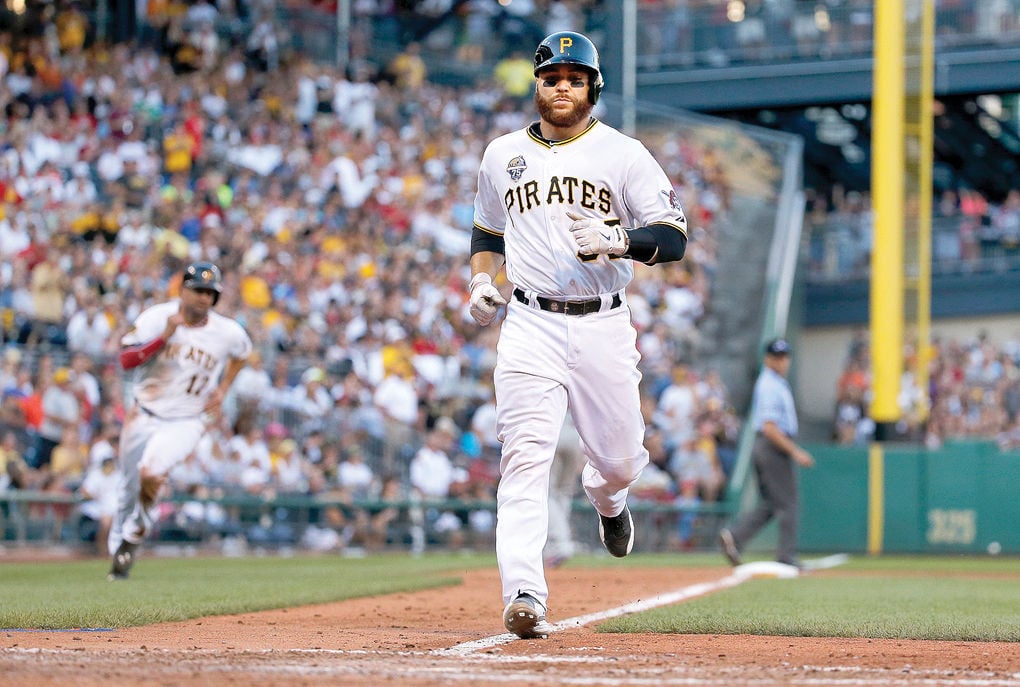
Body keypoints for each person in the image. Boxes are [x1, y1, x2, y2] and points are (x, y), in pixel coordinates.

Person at [468, 31, 689, 639]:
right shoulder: (501, 154)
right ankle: (524, 592)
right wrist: (481, 282)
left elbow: (673, 237)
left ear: (593, 87)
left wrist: (621, 241)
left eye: (574, 76)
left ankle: (609, 502)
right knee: (523, 461)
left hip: (603, 322)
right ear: (537, 85)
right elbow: (487, 233)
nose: (561, 85)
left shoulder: (624, 153)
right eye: (551, 76)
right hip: (530, 323)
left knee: (619, 462)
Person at [107, 261, 252, 580]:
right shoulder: (157, 318)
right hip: (143, 414)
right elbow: (126, 360)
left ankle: (137, 531)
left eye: (210, 293)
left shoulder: (226, 331)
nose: (204, 298)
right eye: (199, 290)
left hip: (188, 419)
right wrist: (164, 337)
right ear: (183, 290)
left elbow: (243, 353)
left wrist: (224, 387)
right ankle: (119, 548)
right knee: (128, 487)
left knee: (152, 471)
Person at [718, 338, 815, 569]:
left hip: (767, 447)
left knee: (771, 505)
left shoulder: (775, 383)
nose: (781, 361)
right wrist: (795, 452)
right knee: (789, 504)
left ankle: (736, 537)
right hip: (773, 446)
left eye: (784, 357)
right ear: (767, 358)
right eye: (776, 357)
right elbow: (770, 427)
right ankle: (786, 556)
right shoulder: (770, 385)